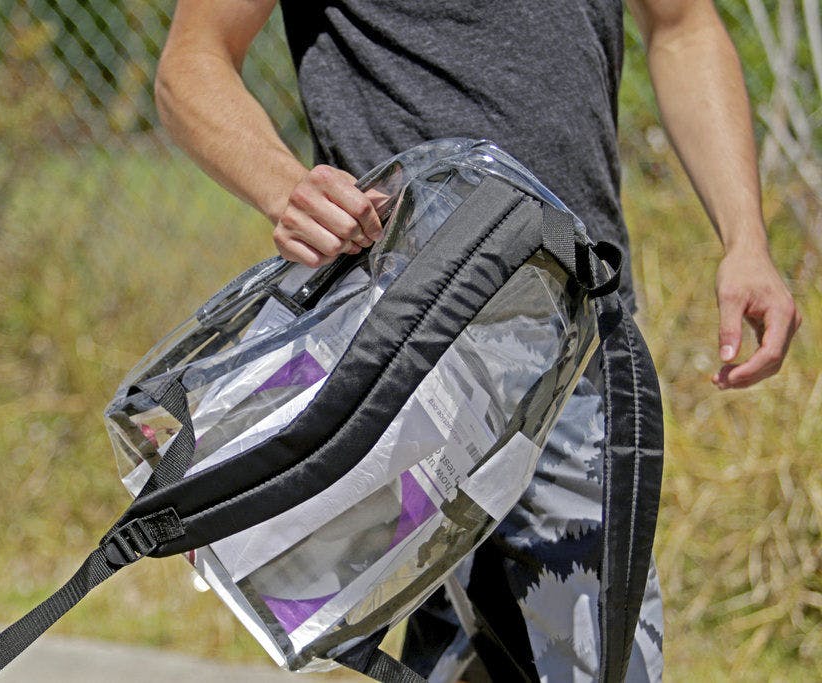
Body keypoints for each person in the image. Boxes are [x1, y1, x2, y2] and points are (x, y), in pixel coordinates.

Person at [152, 0, 801, 680]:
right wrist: (286, 188)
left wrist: (746, 238)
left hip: (576, 343)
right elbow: (192, 61)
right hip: (405, 356)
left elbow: (683, 25)